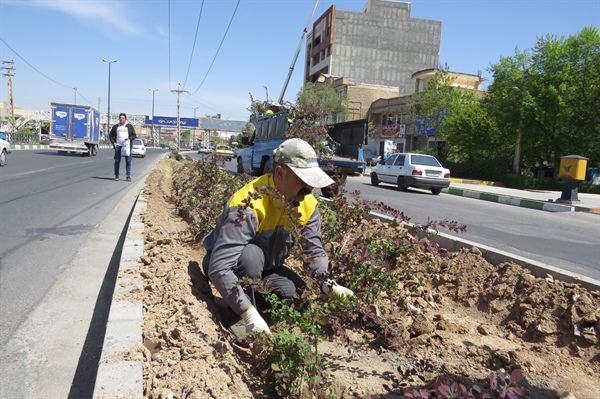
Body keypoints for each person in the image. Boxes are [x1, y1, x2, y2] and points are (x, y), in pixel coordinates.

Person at [202, 138, 353, 335]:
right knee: (251, 257)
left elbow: (313, 249)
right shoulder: (248, 206)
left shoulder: (307, 204)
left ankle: (256, 304)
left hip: (267, 269)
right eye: (304, 180)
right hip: (226, 264)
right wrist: (248, 313)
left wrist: (327, 283)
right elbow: (220, 267)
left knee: (299, 298)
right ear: (280, 173)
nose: (310, 188)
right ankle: (237, 316)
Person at [109, 113, 136, 181]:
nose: (121, 119)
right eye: (120, 118)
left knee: (128, 161)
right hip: (118, 146)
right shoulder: (116, 127)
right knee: (117, 161)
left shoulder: (129, 126)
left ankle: (128, 175)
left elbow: (134, 135)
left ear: (125, 119)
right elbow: (111, 135)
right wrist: (113, 143)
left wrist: (129, 138)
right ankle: (116, 175)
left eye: (123, 118)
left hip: (126, 146)